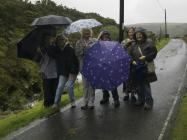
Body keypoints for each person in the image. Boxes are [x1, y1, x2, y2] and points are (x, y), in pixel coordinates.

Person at [130, 27, 157, 110]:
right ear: (135, 36)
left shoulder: (149, 43)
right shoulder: (133, 44)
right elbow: (130, 55)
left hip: (145, 68)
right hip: (136, 69)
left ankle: (149, 102)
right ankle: (140, 100)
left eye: (140, 34)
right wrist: (132, 61)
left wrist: (146, 57)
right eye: (137, 34)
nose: (138, 36)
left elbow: (154, 53)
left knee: (145, 86)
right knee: (138, 86)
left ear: (143, 35)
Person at [51, 35, 79, 109]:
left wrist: (73, 70)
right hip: (63, 72)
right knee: (60, 87)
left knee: (69, 86)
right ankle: (56, 103)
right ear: (57, 42)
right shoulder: (56, 50)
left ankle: (72, 102)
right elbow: (50, 54)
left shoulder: (70, 49)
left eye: (62, 39)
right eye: (59, 40)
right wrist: (52, 44)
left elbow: (75, 61)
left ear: (65, 40)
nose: (61, 41)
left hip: (72, 71)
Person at [75, 28, 97, 110]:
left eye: (88, 32)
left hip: (93, 66)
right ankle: (85, 102)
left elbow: (98, 52)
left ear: (90, 33)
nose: (87, 33)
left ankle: (92, 102)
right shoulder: (79, 42)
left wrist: (90, 49)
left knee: (92, 85)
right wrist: (83, 50)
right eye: (85, 32)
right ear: (82, 33)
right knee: (85, 85)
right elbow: (77, 53)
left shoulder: (94, 41)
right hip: (83, 65)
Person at [97, 30, 120, 108]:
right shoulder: (98, 44)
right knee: (103, 83)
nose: (105, 37)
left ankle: (116, 99)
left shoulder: (113, 44)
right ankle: (105, 97)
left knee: (112, 84)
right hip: (101, 66)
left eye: (107, 36)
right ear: (101, 37)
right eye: (104, 36)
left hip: (111, 66)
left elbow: (117, 55)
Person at [37, 28, 58, 107]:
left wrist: (51, 45)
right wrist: (40, 70)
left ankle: (53, 103)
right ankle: (47, 104)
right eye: (50, 38)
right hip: (45, 71)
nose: (51, 39)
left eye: (52, 37)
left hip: (55, 70)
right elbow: (39, 60)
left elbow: (53, 54)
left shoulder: (55, 46)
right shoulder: (42, 48)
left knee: (54, 88)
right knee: (47, 88)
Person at [121, 27, 137, 102]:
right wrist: (126, 44)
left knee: (134, 78)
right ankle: (126, 93)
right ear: (128, 33)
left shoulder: (137, 41)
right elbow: (120, 50)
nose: (131, 33)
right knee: (126, 79)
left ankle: (133, 94)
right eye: (130, 32)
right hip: (125, 62)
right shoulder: (124, 41)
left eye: (132, 32)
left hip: (134, 62)